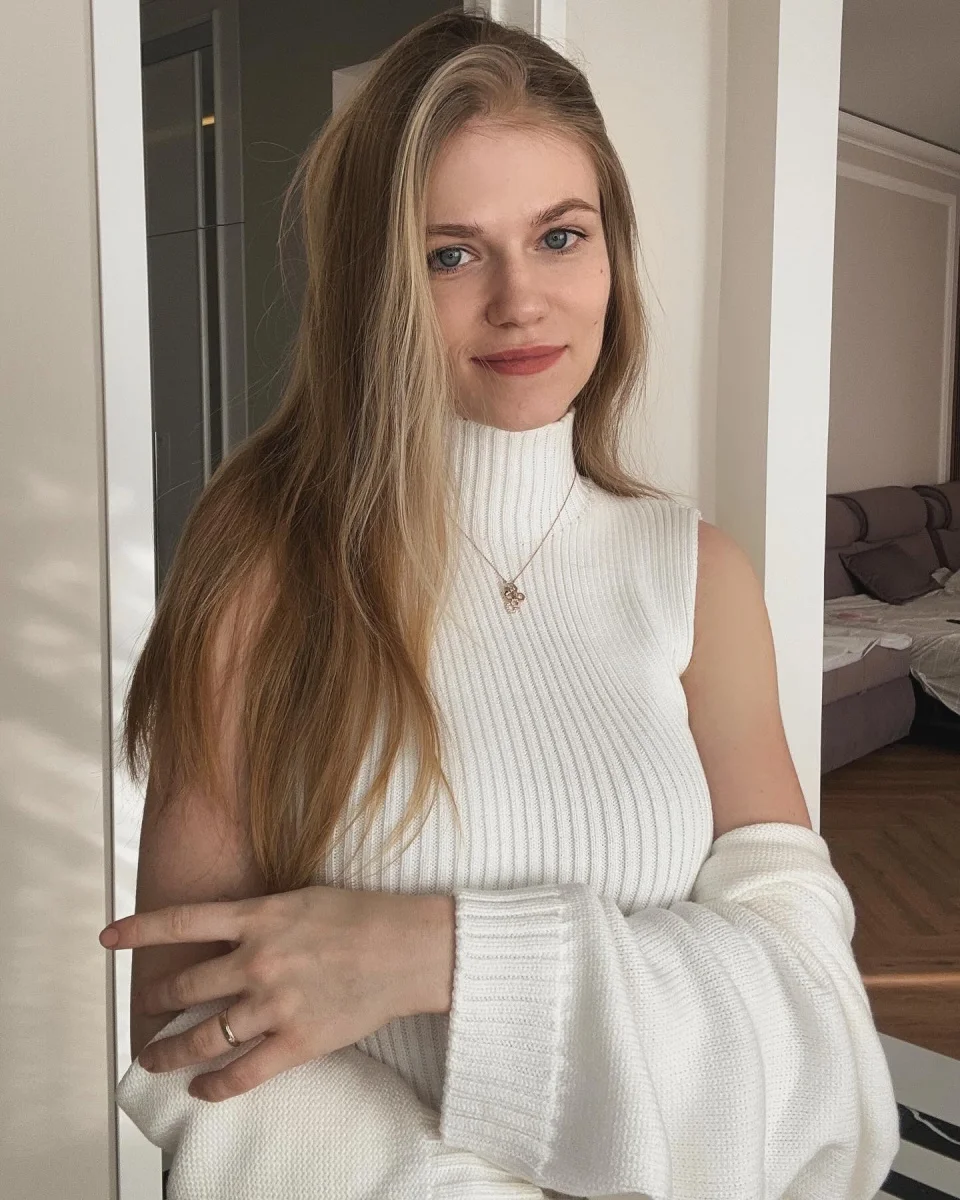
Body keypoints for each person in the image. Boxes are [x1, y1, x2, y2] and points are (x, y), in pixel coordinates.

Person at [110, 10, 901, 1200]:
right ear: (375, 288)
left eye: (560, 236)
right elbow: (189, 1032)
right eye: (452, 254)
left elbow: (811, 1011)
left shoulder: (697, 575)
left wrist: (442, 954)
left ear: (611, 256)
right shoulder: (264, 573)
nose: (522, 300)